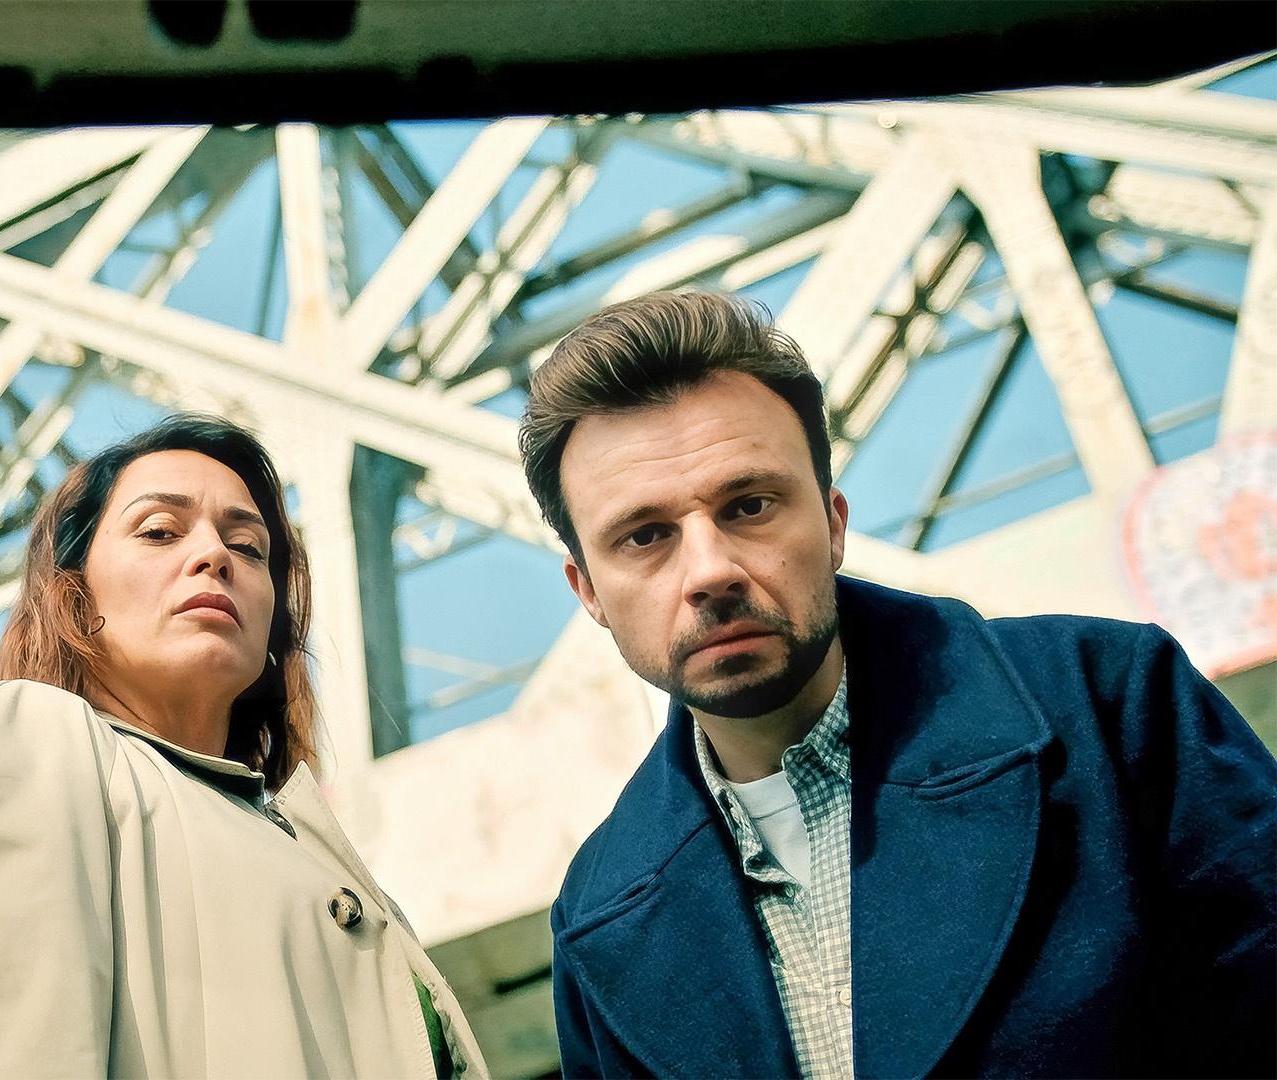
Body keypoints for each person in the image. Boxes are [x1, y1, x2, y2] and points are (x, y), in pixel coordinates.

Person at [520, 291, 1276, 1078]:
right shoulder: (596, 917)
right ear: (589, 592)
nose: (711, 570)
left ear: (834, 523)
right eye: (645, 536)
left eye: (749, 506)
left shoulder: (1109, 704)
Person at [0, 415, 484, 1078]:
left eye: (249, 547)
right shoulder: (30, 747)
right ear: (73, 598)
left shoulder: (323, 862)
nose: (215, 556)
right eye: (159, 531)